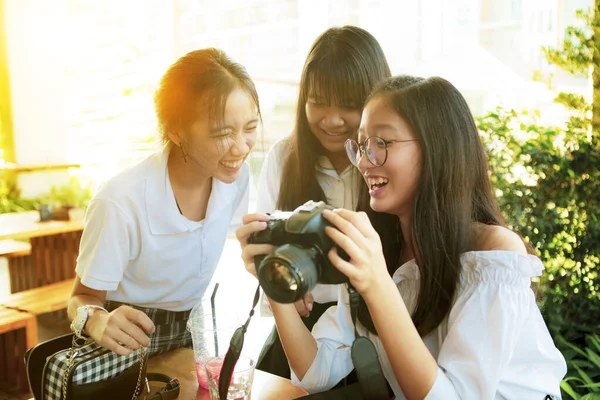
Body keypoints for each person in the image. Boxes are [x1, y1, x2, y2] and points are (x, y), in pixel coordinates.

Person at [238, 75, 567, 398]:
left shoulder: (492, 254)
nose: (364, 162)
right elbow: (317, 371)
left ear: (436, 149)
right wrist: (274, 279)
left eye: (381, 143)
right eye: (363, 145)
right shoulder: (381, 247)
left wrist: (377, 283)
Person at [67, 48, 261, 357]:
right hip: (123, 340)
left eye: (250, 128)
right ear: (176, 130)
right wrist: (97, 321)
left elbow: (236, 247)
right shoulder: (120, 200)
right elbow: (81, 297)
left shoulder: (236, 177)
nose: (241, 147)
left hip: (189, 334)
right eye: (223, 133)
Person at [254, 25, 391, 378]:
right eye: (318, 102)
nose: (332, 120)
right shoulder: (284, 158)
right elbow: (265, 248)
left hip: (379, 328)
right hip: (299, 328)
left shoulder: (388, 164)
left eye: (348, 105)